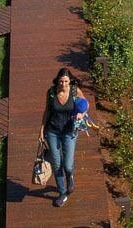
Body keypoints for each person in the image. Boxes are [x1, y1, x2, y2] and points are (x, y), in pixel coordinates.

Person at [41, 66, 83, 207]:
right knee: (57, 163)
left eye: (65, 81)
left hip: (69, 131)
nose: (63, 84)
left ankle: (70, 176)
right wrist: (41, 130)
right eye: (61, 81)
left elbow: (85, 104)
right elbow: (47, 111)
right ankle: (62, 192)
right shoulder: (51, 92)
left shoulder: (75, 91)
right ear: (57, 81)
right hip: (52, 131)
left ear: (70, 81)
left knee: (68, 165)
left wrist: (81, 114)